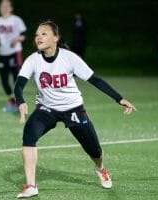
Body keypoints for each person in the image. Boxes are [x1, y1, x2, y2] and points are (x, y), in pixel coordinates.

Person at [14, 20, 136, 198]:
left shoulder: (69, 58)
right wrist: (20, 101)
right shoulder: (33, 60)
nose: (38, 37)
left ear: (55, 38)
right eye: (36, 34)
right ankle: (31, 185)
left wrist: (119, 99)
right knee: (29, 135)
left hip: (73, 109)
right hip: (47, 108)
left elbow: (95, 80)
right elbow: (19, 85)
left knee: (94, 150)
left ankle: (100, 168)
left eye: (44, 34)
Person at [0, 0, 27, 112]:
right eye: (2, 6)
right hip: (3, 53)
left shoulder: (16, 20)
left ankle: (19, 103)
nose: (3, 8)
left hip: (15, 52)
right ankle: (12, 101)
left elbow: (24, 35)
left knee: (17, 78)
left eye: (6, 6)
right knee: (4, 80)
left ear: (11, 8)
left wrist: (17, 38)